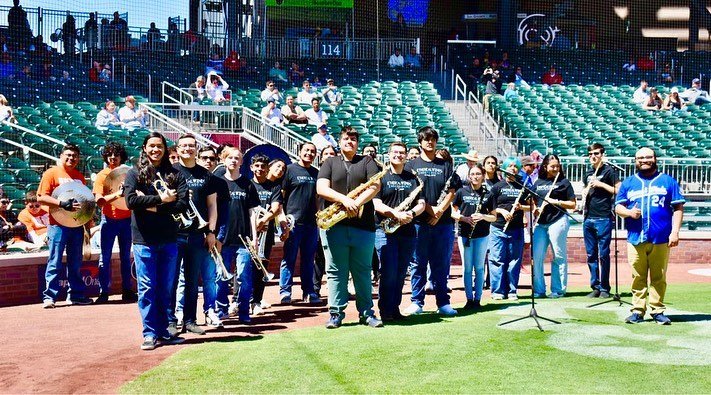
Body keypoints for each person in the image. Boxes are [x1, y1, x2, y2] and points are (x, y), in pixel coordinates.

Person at [124, 132, 188, 350]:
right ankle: (150, 333)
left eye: (159, 146)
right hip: (144, 240)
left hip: (169, 238)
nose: (155, 150)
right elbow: (131, 201)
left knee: (165, 288)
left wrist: (150, 205)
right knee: (147, 288)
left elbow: (181, 205)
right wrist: (162, 199)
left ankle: (163, 332)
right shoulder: (134, 173)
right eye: (151, 146)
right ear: (144, 148)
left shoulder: (176, 174)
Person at [317, 126, 383, 328]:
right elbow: (321, 188)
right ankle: (336, 313)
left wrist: (358, 203)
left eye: (354, 139)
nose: (350, 142)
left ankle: (367, 313)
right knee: (336, 270)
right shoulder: (329, 162)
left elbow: (375, 186)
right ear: (339, 141)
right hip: (334, 224)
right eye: (346, 138)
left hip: (363, 226)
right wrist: (345, 201)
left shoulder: (368, 161)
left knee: (362, 270)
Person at [615, 147, 684, 325]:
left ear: (655, 159)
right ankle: (638, 310)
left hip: (660, 236)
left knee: (658, 276)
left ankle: (657, 310)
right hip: (635, 237)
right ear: (635, 161)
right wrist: (629, 213)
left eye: (648, 157)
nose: (644, 160)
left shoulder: (668, 181)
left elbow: (678, 208)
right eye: (640, 158)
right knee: (637, 276)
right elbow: (618, 207)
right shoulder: (629, 182)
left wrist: (675, 232)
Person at [404, 127, 459, 316]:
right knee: (418, 264)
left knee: (441, 264)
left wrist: (439, 211)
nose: (430, 142)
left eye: (433, 139)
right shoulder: (411, 165)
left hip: (443, 224)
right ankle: (417, 302)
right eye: (426, 139)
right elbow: (413, 193)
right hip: (419, 223)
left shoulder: (445, 165)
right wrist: (430, 210)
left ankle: (443, 303)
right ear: (420, 142)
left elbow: (453, 190)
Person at [171, 134, 221, 336]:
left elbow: (212, 205)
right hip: (174, 234)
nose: (187, 149)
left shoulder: (206, 175)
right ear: (178, 148)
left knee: (192, 280)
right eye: (183, 146)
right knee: (172, 280)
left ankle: (191, 320)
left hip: (197, 234)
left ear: (196, 149)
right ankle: (171, 321)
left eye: (191, 146)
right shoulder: (170, 172)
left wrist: (211, 231)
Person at [373, 142, 425, 321]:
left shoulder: (413, 179)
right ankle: (385, 310)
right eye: (395, 152)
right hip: (385, 229)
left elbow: (421, 204)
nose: (399, 155)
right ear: (388, 155)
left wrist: (410, 213)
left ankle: (394, 309)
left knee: (401, 272)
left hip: (407, 230)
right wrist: (396, 214)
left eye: (402, 153)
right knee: (388, 271)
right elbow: (376, 203)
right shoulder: (381, 176)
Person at [38, 144, 94, 308]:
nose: (71, 158)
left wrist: (87, 225)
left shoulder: (79, 176)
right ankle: (50, 297)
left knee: (75, 262)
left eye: (75, 156)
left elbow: (85, 202)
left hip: (76, 225)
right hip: (57, 226)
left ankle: (76, 295)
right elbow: (41, 197)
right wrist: (61, 203)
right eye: (68, 155)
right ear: (61, 156)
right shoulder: (51, 173)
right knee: (54, 260)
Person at [215, 147, 260, 324]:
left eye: (237, 158)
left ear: (242, 162)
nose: (233, 161)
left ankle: (243, 311)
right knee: (220, 277)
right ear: (224, 160)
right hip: (222, 239)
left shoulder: (248, 184)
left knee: (244, 278)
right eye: (230, 158)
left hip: (244, 240)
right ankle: (221, 310)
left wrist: (254, 237)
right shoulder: (218, 182)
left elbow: (252, 213)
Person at [92, 142, 135, 303]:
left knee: (126, 256)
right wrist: (118, 194)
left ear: (121, 157)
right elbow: (99, 201)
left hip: (127, 219)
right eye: (109, 155)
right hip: (109, 220)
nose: (112, 158)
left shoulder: (128, 172)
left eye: (116, 155)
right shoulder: (102, 175)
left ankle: (127, 290)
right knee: (105, 257)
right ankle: (104, 292)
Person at [279, 142, 321, 304]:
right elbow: (281, 196)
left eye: (313, 151)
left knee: (308, 259)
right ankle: (285, 291)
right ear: (299, 152)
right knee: (288, 258)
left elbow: (317, 198)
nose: (309, 153)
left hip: (311, 224)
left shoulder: (316, 173)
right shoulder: (289, 170)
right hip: (293, 224)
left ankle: (308, 292)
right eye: (306, 150)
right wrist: (282, 220)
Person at [531, 154, 576, 298]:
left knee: (558, 255)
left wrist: (555, 201)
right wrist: (535, 209)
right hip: (541, 222)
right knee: (537, 256)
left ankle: (558, 289)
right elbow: (533, 200)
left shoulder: (564, 182)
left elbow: (573, 204)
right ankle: (539, 290)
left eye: (557, 166)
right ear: (545, 166)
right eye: (552, 166)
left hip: (558, 220)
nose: (555, 168)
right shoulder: (538, 182)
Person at [452, 164, 495, 309]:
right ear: (469, 176)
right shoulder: (461, 192)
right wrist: (463, 218)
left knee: (479, 267)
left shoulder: (488, 194)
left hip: (482, 235)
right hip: (465, 235)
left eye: (478, 174)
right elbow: (453, 212)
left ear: (483, 176)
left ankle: (478, 299)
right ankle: (469, 299)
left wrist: (483, 216)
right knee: (467, 269)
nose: (475, 176)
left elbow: (494, 217)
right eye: (473, 174)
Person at [581, 143, 620, 299]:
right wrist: (584, 192)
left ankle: (605, 287)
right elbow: (586, 190)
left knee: (603, 254)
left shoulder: (609, 171)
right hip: (588, 217)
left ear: (602, 154)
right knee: (591, 255)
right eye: (590, 154)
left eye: (596, 153)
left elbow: (619, 190)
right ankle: (595, 286)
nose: (593, 156)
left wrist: (601, 184)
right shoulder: (588, 173)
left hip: (603, 217)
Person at [487, 157, 528, 300]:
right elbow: (489, 207)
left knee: (514, 260)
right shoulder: (497, 187)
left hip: (516, 229)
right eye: (509, 166)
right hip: (498, 228)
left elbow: (532, 206)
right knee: (497, 259)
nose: (512, 168)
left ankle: (512, 290)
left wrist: (521, 207)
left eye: (515, 166)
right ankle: (497, 291)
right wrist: (501, 211)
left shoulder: (522, 186)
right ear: (504, 168)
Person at [249, 154, 284, 315]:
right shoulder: (247, 185)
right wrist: (255, 223)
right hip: (248, 233)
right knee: (243, 270)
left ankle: (256, 301)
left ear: (267, 169)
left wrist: (262, 221)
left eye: (263, 167)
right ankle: (239, 301)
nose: (260, 169)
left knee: (260, 269)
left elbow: (276, 208)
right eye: (257, 166)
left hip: (266, 234)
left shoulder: (274, 187)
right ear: (251, 167)